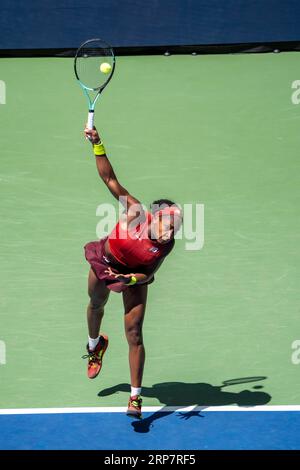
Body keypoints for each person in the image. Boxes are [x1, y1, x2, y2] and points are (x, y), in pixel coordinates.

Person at [83, 125, 183, 419]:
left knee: (135, 333)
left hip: (134, 278)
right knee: (96, 304)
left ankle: (136, 398)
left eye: (175, 229)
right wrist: (97, 143)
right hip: (105, 261)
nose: (170, 234)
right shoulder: (135, 211)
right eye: (168, 227)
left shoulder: (166, 245)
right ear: (156, 217)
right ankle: (95, 345)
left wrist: (131, 279)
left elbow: (149, 275)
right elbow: (109, 178)